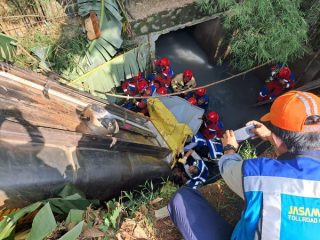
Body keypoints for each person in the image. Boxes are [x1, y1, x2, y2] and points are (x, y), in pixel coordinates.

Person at [168, 90, 320, 240]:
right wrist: (271, 136)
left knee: (182, 197)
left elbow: (227, 166)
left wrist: (229, 149)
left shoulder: (259, 173)